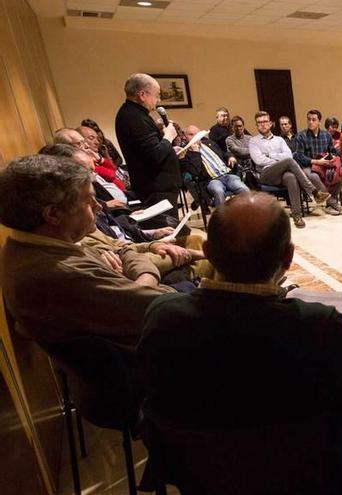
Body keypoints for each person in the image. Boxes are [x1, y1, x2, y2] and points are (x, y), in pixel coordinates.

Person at [138, 192, 342, 491]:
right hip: (308, 479)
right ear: (288, 257)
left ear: (207, 251)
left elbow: (151, 399)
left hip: (200, 477)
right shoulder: (318, 326)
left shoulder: (163, 317)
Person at [0, 154, 174, 353]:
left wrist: (137, 279)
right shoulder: (60, 272)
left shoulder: (36, 243)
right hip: (149, 361)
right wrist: (146, 278)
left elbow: (120, 249)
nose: (99, 207)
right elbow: (162, 307)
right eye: (90, 201)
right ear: (53, 214)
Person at [248, 110, 330, 228]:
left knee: (291, 177)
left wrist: (270, 155)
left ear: (270, 123)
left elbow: (288, 155)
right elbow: (259, 160)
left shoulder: (279, 140)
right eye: (259, 122)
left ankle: (297, 215)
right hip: (266, 174)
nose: (263, 124)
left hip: (282, 174)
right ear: (256, 125)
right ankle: (314, 192)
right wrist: (280, 160)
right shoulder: (253, 141)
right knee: (289, 162)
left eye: (265, 121)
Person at [114, 73, 182, 211]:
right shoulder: (133, 118)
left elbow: (150, 149)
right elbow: (154, 155)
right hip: (156, 190)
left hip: (159, 188)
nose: (159, 100)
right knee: (166, 230)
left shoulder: (135, 114)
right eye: (157, 95)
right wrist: (168, 137)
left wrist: (169, 149)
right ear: (142, 95)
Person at [179, 124, 249, 209]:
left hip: (227, 175)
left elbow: (224, 153)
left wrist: (231, 156)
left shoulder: (209, 143)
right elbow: (195, 172)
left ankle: (248, 213)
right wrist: (195, 152)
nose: (195, 137)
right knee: (218, 191)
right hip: (212, 180)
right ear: (185, 137)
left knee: (244, 189)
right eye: (191, 134)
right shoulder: (186, 154)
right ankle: (221, 218)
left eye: (197, 134)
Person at [293, 109, 342, 217]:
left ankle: (329, 205)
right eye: (309, 119)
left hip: (324, 163)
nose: (310, 122)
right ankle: (333, 204)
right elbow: (298, 156)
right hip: (308, 165)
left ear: (319, 122)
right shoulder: (300, 136)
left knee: (341, 173)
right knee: (313, 177)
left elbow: (332, 151)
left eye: (313, 120)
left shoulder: (326, 135)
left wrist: (332, 158)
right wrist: (316, 161)